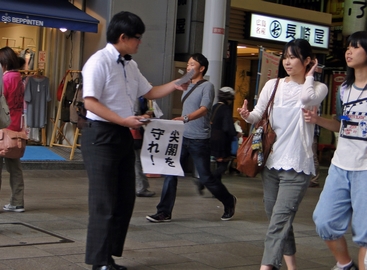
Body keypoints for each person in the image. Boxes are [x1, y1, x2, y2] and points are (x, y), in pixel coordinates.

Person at [81, 11, 186, 270]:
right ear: (123, 37)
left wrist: (176, 83)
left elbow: (149, 91)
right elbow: (90, 101)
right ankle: (99, 262)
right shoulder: (99, 61)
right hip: (100, 135)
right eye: (137, 38)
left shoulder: (130, 65)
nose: (140, 43)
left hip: (122, 134)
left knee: (124, 199)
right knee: (104, 201)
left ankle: (110, 255)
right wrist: (124, 120)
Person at [237, 39, 328, 270]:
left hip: (298, 165)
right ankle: (292, 266)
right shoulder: (273, 85)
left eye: (293, 57)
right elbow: (258, 115)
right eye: (285, 57)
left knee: (279, 219)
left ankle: (267, 266)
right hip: (271, 163)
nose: (287, 62)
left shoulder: (318, 87)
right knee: (277, 218)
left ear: (307, 61)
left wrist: (309, 75)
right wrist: (246, 115)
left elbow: (307, 99)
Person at [146, 53, 237, 223]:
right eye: (188, 64)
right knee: (170, 173)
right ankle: (163, 212)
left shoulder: (207, 86)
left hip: (199, 139)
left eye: (192, 65)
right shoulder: (187, 85)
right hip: (181, 136)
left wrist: (186, 118)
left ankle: (228, 200)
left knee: (205, 177)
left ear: (201, 68)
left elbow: (204, 109)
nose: (188, 67)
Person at [304, 31, 367, 270]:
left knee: (365, 233)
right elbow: (342, 124)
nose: (349, 51)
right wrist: (318, 120)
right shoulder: (344, 89)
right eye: (348, 47)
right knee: (324, 220)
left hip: (365, 168)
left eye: (356, 47)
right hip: (341, 165)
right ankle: (345, 264)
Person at [0, 46, 25, 213]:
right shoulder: (19, 78)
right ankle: (17, 201)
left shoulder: (6, 79)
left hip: (3, 125)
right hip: (16, 127)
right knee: (15, 166)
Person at [210, 86, 238, 182]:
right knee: (223, 166)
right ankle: (205, 181)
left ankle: (216, 187)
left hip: (212, 138)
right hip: (223, 141)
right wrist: (235, 134)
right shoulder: (225, 109)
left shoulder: (214, 107)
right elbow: (228, 127)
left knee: (219, 163)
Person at [132, 96, 155, 197]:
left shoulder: (142, 98)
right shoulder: (136, 97)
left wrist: (149, 112)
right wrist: (145, 115)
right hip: (133, 132)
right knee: (136, 161)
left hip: (131, 132)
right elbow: (136, 114)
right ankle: (141, 187)